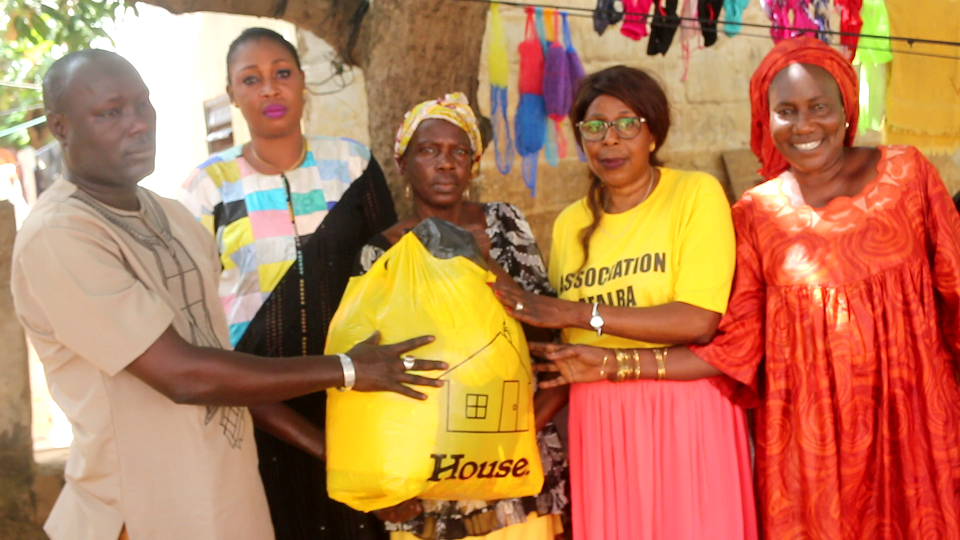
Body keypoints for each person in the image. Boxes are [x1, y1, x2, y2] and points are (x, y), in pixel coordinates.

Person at [525, 38, 960, 539]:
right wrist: (611, 364)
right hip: (808, 435)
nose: (804, 125)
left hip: (914, 413)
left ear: (846, 109)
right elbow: (734, 346)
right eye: (785, 111)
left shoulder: (907, 175)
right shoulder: (756, 215)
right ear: (764, 120)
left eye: (819, 107)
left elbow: (954, 289)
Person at [13, 49, 445, 540]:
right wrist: (348, 369)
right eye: (111, 112)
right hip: (142, 507)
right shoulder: (61, 236)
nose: (138, 125)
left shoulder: (175, 218)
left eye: (143, 104)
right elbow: (183, 375)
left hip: (229, 490)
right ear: (61, 127)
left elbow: (219, 351)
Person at [490, 65, 758, 540]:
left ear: (652, 133)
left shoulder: (695, 194)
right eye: (593, 127)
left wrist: (576, 313)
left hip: (686, 413)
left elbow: (698, 321)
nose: (608, 140)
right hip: (601, 424)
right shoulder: (572, 224)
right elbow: (568, 345)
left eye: (626, 123)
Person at [178, 28, 397, 540]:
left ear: (302, 82)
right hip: (254, 405)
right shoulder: (208, 186)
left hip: (353, 393)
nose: (269, 90)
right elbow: (194, 310)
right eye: (250, 80)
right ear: (232, 94)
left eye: (282, 74)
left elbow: (385, 275)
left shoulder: (353, 164)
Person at [355, 93, 570, 540]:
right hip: (428, 465)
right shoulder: (382, 253)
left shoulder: (503, 225)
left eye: (458, 152)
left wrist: (519, 430)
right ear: (404, 163)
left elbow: (549, 336)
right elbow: (369, 376)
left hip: (515, 449)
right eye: (428, 150)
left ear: (473, 166)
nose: (445, 163)